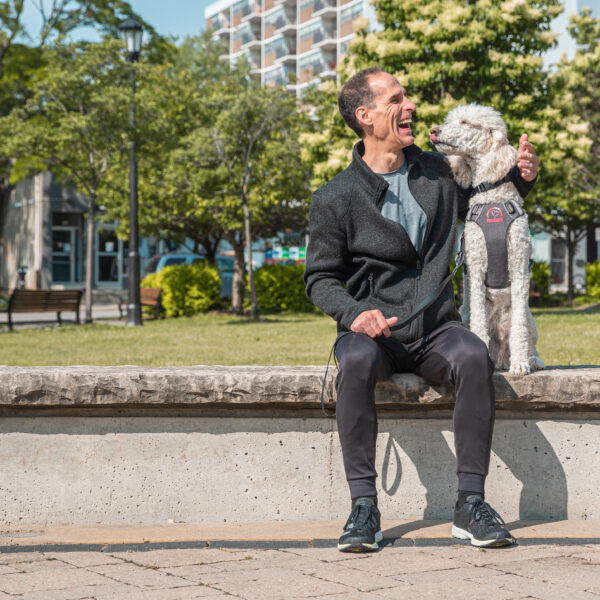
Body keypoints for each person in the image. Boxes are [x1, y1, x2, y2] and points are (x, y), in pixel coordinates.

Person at [303, 67, 539, 552]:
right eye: (396, 99)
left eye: (406, 97)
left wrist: (521, 175)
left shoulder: (438, 171)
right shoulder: (334, 198)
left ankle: (470, 505)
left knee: (474, 355)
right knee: (353, 360)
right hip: (373, 331)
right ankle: (363, 507)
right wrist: (353, 315)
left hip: (436, 330)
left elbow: (485, 202)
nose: (409, 106)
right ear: (365, 116)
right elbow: (319, 278)